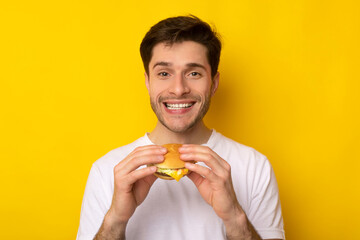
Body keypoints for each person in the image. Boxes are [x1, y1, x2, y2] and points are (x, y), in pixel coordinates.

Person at [76, 15, 285, 240]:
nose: (178, 89)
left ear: (213, 83)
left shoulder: (255, 166)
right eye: (164, 73)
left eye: (193, 73)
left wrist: (234, 218)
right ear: (148, 82)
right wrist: (115, 219)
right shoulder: (108, 170)